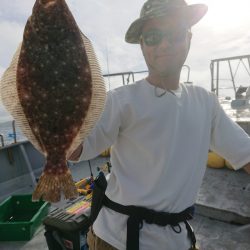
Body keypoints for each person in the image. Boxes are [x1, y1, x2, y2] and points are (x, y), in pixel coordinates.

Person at [70, 0, 250, 249]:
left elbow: (245, 153)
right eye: (153, 36)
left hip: (179, 240)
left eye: (175, 34)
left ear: (189, 37)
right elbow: (78, 150)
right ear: (142, 45)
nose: (164, 44)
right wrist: (56, 116)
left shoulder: (206, 103)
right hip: (115, 240)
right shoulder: (120, 100)